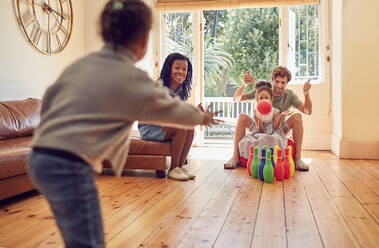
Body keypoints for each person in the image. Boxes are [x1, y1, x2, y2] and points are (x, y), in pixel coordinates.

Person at [27, 1, 219, 247]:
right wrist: (202, 117)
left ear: (104, 33)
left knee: (78, 228)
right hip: (69, 165)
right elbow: (170, 108)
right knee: (88, 239)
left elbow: (51, 97)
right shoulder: (132, 77)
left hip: (39, 157)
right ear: (143, 41)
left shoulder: (81, 64)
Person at [224, 66, 312, 171]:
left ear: (287, 83)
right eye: (277, 81)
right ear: (272, 80)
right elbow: (236, 98)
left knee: (298, 117)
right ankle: (235, 157)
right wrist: (244, 84)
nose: (279, 85)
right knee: (242, 117)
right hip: (258, 126)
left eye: (283, 83)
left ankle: (298, 159)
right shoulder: (263, 91)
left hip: (278, 128)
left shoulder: (289, 95)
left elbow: (307, 111)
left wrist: (306, 93)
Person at [138, 53, 196, 181]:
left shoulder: (181, 90)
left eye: (184, 69)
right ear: (169, 68)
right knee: (180, 127)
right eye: (177, 68)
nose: (181, 72)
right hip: (151, 127)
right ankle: (173, 168)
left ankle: (180, 167)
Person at [238, 81, 291, 160]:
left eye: (266, 98)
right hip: (260, 132)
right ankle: (260, 158)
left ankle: (272, 157)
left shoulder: (275, 111)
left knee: (274, 138)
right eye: (261, 98)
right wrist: (259, 119)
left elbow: (276, 127)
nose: (264, 100)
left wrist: (281, 116)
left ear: (271, 99)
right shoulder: (256, 112)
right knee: (262, 138)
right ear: (257, 100)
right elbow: (260, 130)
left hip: (273, 132)